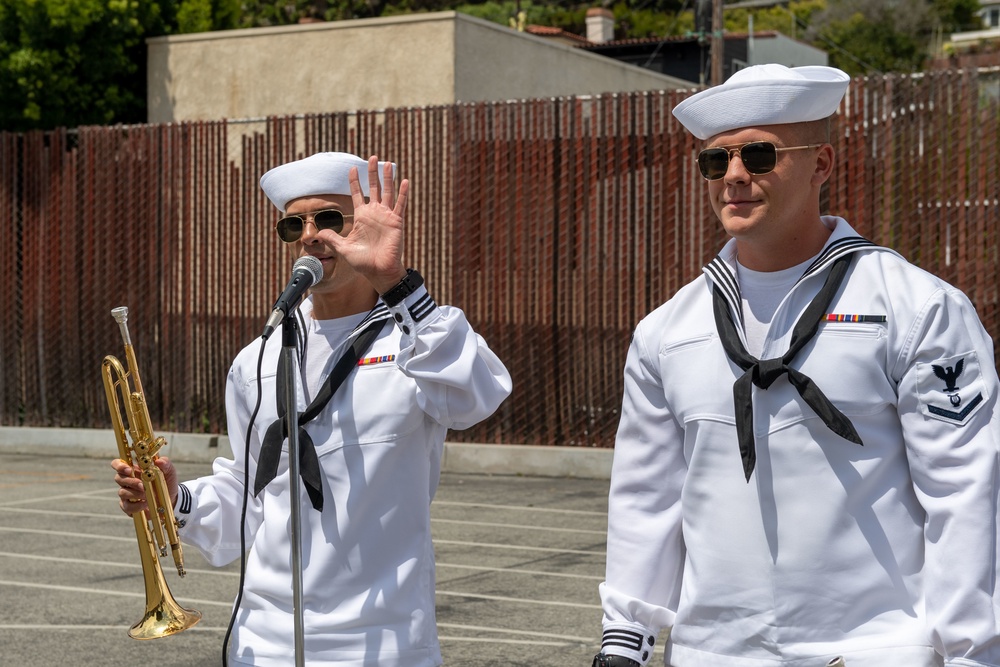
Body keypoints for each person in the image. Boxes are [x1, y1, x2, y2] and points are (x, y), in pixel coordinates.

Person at [592, 64, 1000, 667]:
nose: (734, 176)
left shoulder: (917, 309)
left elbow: (967, 495)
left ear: (823, 164)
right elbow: (646, 498)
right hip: (714, 654)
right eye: (715, 161)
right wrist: (624, 641)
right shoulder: (667, 331)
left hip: (873, 650)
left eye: (760, 156)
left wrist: (975, 653)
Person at [112, 151, 512, 666]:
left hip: (383, 643)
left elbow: (476, 396)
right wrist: (173, 498)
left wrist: (398, 285)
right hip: (265, 642)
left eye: (330, 220)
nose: (311, 235)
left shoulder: (419, 339)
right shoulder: (258, 357)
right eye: (293, 225)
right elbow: (248, 490)